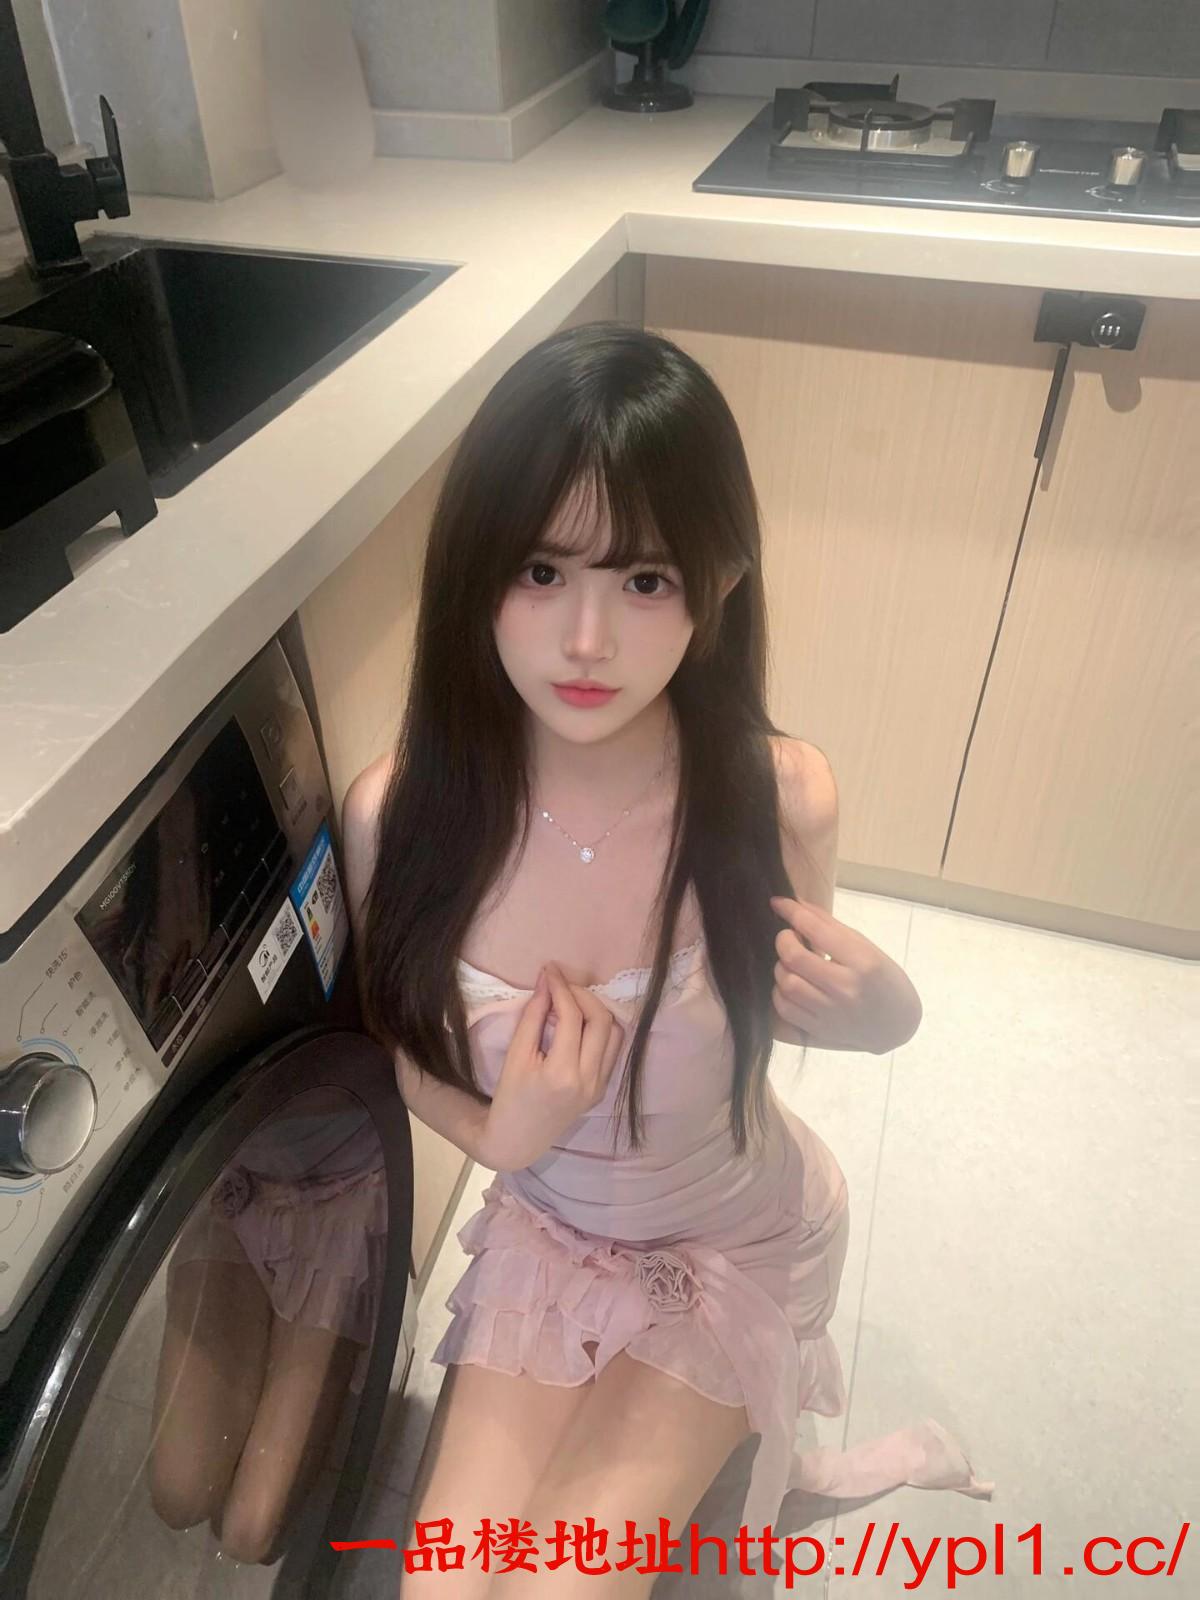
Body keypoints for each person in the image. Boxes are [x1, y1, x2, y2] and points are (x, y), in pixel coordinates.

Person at [342, 321, 992, 1598]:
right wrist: (503, 1136)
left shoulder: (773, 794)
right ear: (474, 569)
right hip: (551, 1235)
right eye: (541, 569)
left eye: (643, 580)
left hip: (731, 1244)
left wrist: (887, 1015)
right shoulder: (402, 814)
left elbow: (787, 1005)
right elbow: (398, 1038)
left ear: (720, 581)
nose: (586, 639)